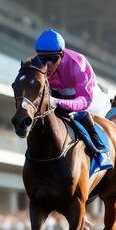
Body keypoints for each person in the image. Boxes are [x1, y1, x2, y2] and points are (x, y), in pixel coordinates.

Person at [34, 28, 109, 164]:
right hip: (58, 91)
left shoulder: (77, 64)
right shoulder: (37, 65)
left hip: (86, 97)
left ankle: (98, 145)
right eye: (43, 59)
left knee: (79, 113)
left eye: (52, 59)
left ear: (62, 55)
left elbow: (84, 101)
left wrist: (58, 102)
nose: (47, 65)